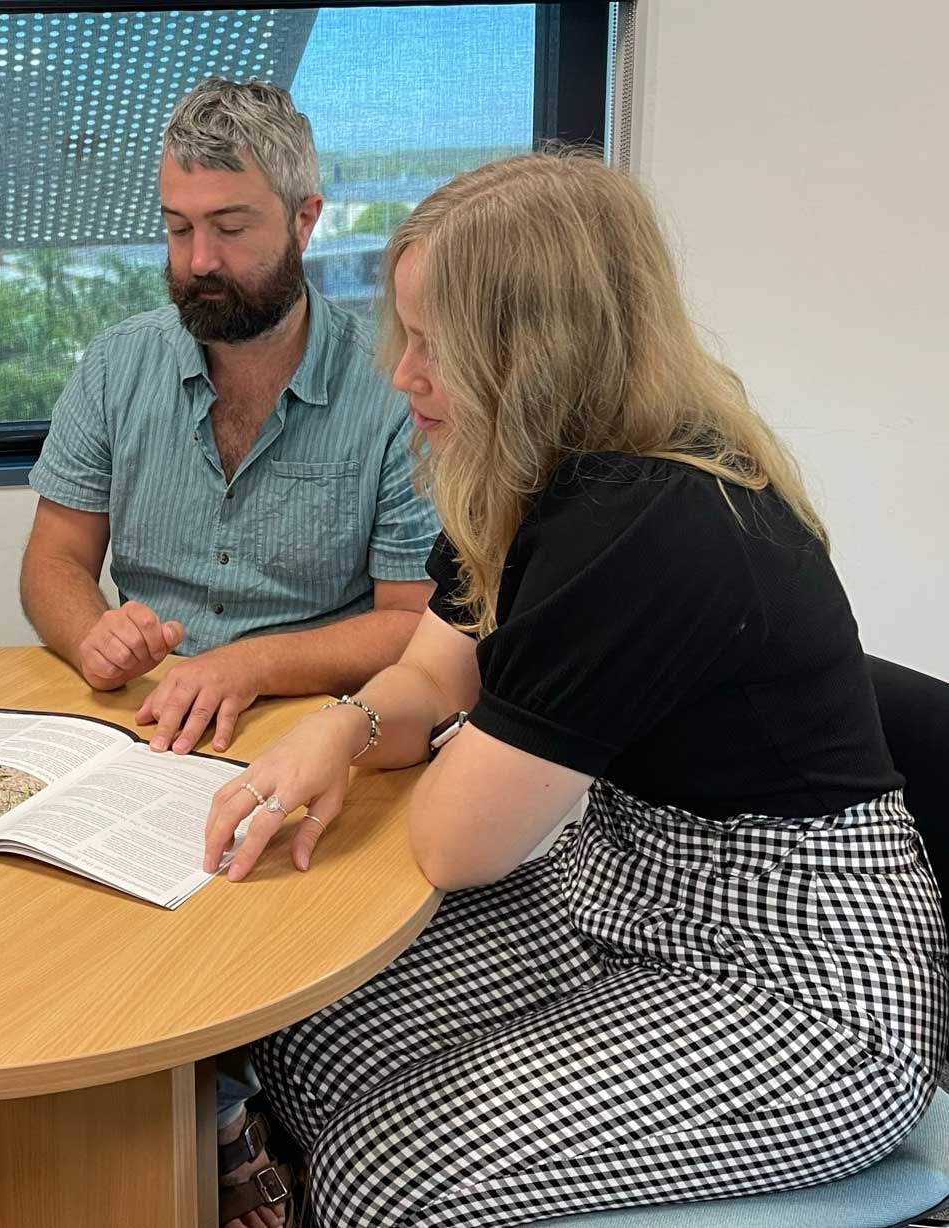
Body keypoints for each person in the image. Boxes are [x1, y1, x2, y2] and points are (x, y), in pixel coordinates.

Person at [203, 151, 947, 1226]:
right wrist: (346, 722)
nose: (402, 377)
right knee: (307, 1031)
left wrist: (398, 735)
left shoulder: (651, 524)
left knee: (386, 1172)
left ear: (535, 353)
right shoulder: (527, 472)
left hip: (797, 988)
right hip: (625, 891)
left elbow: (458, 844)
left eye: (431, 347)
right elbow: (427, 671)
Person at [22, 77, 439, 762]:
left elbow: (411, 622)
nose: (198, 261)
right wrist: (90, 637)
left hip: (319, 727)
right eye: (177, 228)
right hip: (149, 719)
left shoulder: (394, 387)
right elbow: (54, 560)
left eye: (230, 228)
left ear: (305, 220)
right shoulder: (115, 363)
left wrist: (251, 665)